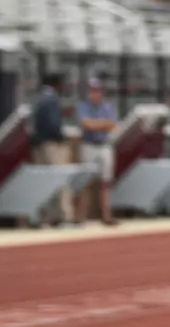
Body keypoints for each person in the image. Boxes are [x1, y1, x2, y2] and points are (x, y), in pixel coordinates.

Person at [28, 74, 74, 225]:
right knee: (60, 180)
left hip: (40, 145)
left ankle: (45, 217)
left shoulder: (38, 99)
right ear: (56, 85)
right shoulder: (52, 99)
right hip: (53, 144)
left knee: (43, 182)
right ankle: (64, 216)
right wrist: (61, 139)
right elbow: (53, 124)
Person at [75, 77, 119, 226]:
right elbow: (87, 124)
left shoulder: (107, 107)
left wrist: (96, 124)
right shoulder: (83, 106)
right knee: (85, 181)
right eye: (92, 91)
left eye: (97, 90)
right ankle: (81, 217)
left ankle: (106, 216)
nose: (94, 93)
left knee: (105, 182)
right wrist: (102, 124)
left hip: (104, 145)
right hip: (89, 145)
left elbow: (112, 124)